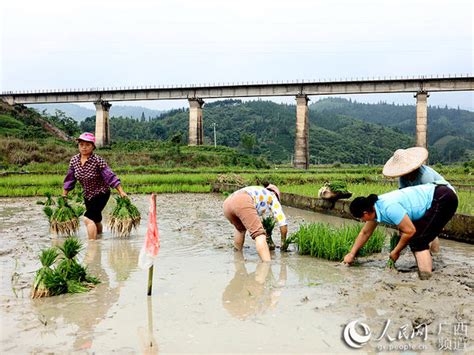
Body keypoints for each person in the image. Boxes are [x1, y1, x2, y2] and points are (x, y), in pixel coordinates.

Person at [343, 183, 458, 279]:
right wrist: (352, 253)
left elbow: (410, 231)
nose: (362, 221)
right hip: (438, 196)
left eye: (361, 218)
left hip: (442, 198)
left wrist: (396, 251)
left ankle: (426, 278)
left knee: (418, 240)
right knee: (421, 233)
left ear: (365, 213)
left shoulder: (388, 208)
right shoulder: (374, 209)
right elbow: (365, 233)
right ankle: (430, 262)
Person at [382, 146, 455, 252]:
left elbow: (432, 198)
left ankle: (434, 255)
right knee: (421, 229)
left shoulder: (425, 175)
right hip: (421, 203)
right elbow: (404, 197)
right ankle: (428, 255)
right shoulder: (403, 178)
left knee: (429, 229)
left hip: (442, 199)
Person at [62, 132, 127, 240]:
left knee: (88, 218)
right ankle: (99, 240)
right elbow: (70, 178)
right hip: (87, 195)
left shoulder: (98, 161)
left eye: (87, 145)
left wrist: (121, 191)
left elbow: (110, 176)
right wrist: (64, 195)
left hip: (101, 193)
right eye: (81, 144)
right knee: (96, 219)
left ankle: (92, 245)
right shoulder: (74, 160)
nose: (84, 147)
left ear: (93, 147)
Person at [223, 184, 288, 262]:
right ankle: (267, 264)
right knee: (259, 235)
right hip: (243, 200)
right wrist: (283, 242)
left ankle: (237, 257)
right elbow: (283, 222)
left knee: (240, 230)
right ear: (277, 195)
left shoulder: (260, 191)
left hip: (227, 204)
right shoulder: (272, 197)